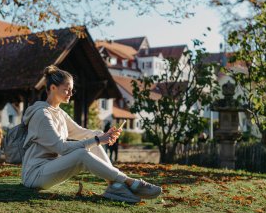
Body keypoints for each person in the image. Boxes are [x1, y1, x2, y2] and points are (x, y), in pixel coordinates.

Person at [21, 65, 162, 203]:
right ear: (52, 88)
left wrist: (104, 135)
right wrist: (98, 139)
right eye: (66, 90)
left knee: (91, 141)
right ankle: (128, 181)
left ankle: (115, 186)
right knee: (83, 153)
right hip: (35, 175)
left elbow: (82, 133)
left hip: (52, 168)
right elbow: (61, 147)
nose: (70, 93)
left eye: (71, 90)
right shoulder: (42, 115)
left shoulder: (59, 113)